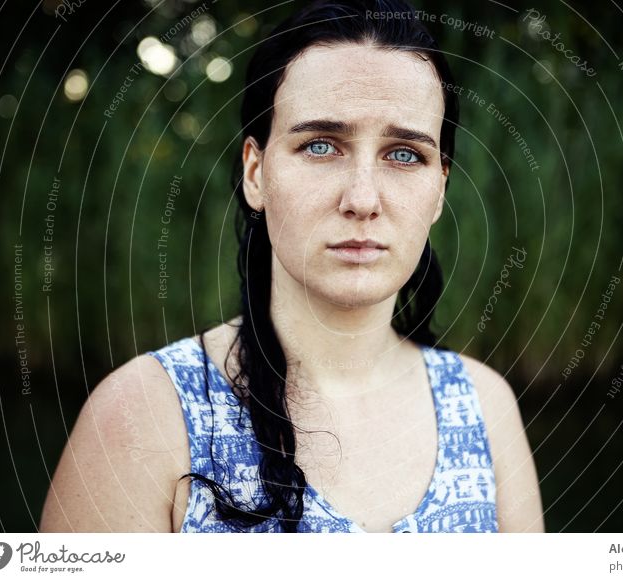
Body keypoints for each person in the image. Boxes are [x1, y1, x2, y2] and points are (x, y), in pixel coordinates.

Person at [39, 0, 544, 533]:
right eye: (321, 145)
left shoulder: (483, 410)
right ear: (256, 173)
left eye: (403, 155)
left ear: (439, 188)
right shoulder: (145, 414)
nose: (363, 199)